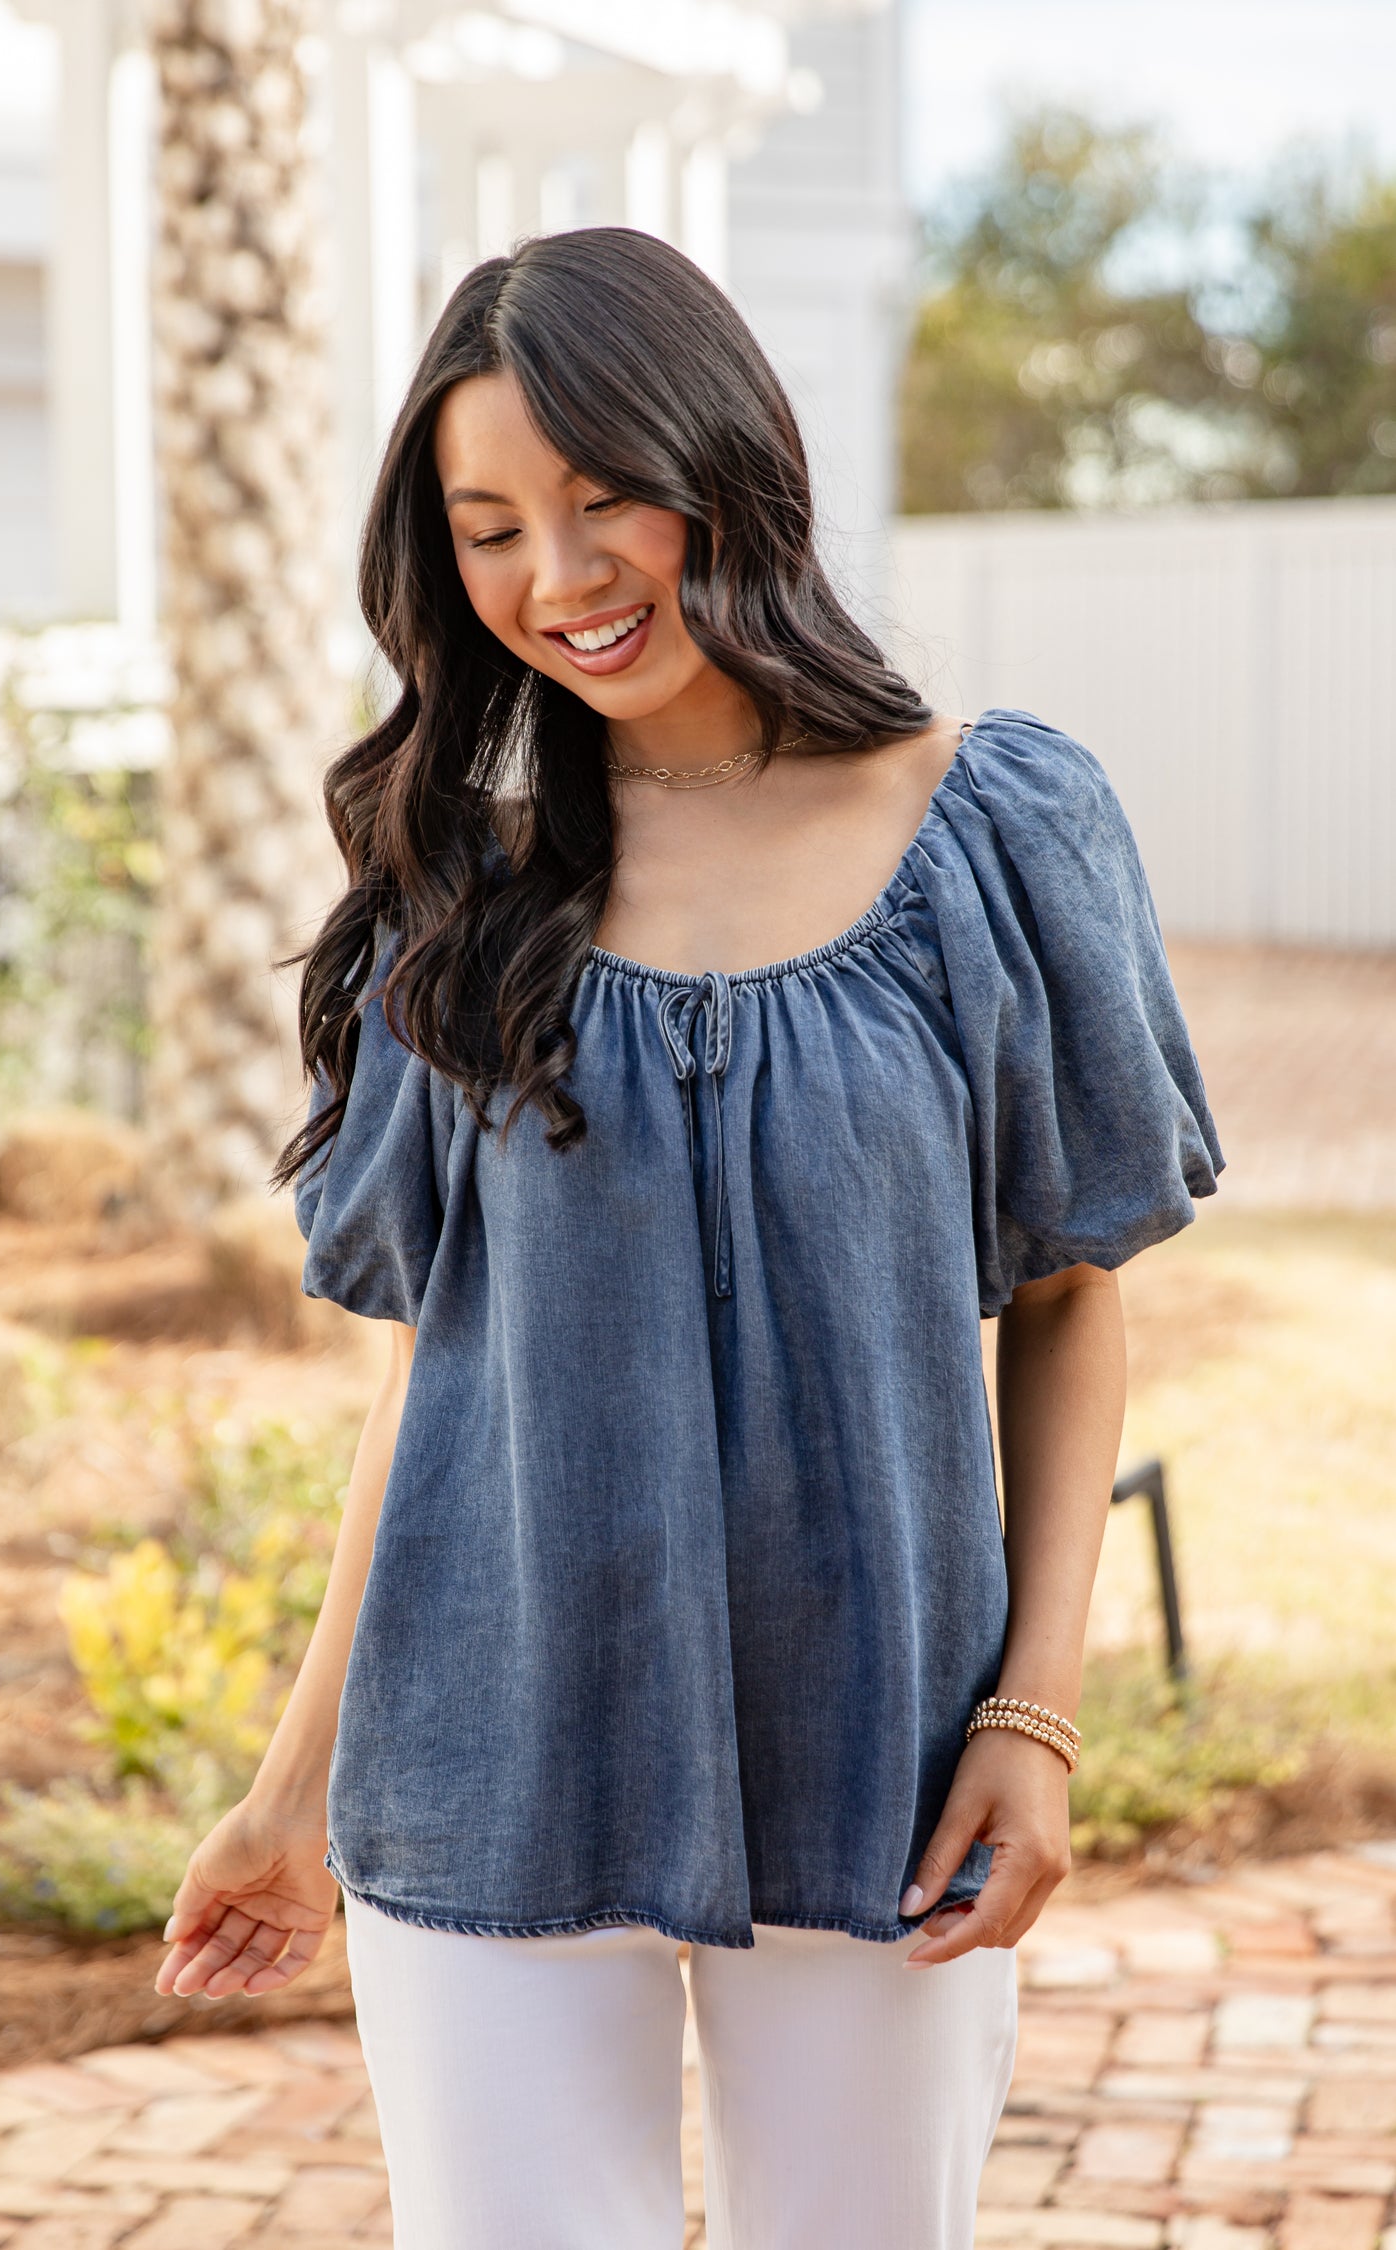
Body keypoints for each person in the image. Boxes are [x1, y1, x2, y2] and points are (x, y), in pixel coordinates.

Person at [156, 228, 1221, 2250]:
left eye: (597, 494)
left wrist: (1033, 1720)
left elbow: (1072, 1295)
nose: (554, 577)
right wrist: (289, 1799)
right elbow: (436, 1377)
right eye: (487, 528)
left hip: (882, 1770)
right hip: (486, 1767)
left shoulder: (996, 829)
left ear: (721, 461)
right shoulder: (453, 896)